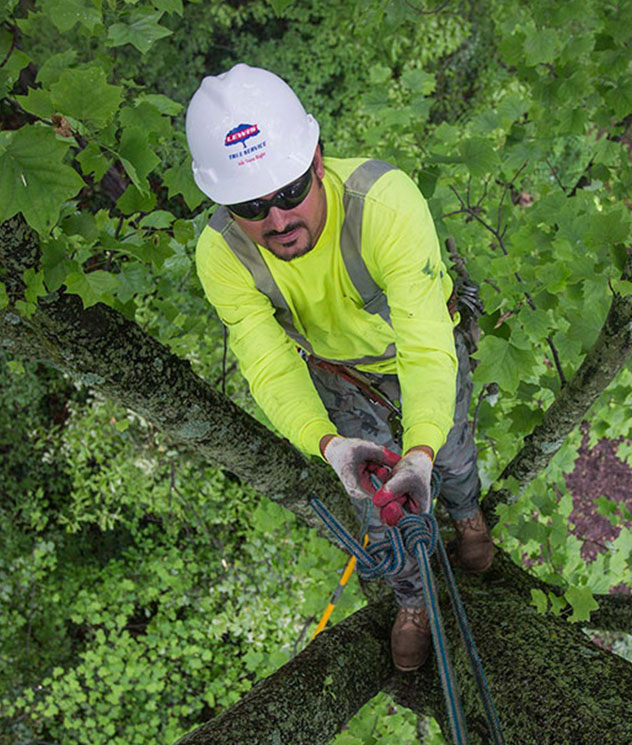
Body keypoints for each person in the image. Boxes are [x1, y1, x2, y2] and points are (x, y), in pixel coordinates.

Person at [186, 64, 493, 671]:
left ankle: (468, 517)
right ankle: (413, 600)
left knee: (451, 452)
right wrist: (327, 445)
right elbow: (268, 365)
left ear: (318, 160)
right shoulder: (221, 256)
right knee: (376, 500)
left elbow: (428, 346)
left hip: (417, 352)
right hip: (337, 374)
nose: (277, 220)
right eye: (251, 204)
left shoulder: (383, 205)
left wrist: (423, 449)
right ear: (222, 201)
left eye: (290, 192)